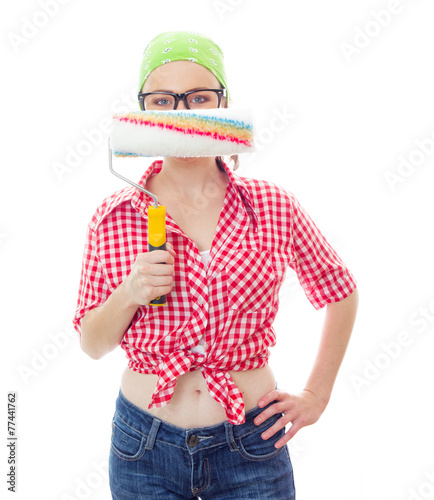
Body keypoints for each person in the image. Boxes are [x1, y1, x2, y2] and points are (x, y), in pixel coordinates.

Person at [73, 30, 359, 500]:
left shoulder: (272, 206)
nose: (182, 114)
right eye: (163, 100)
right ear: (142, 111)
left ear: (224, 103)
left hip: (251, 443)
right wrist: (131, 291)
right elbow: (91, 343)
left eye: (199, 97)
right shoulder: (114, 216)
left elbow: (340, 290)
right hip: (144, 448)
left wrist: (317, 395)